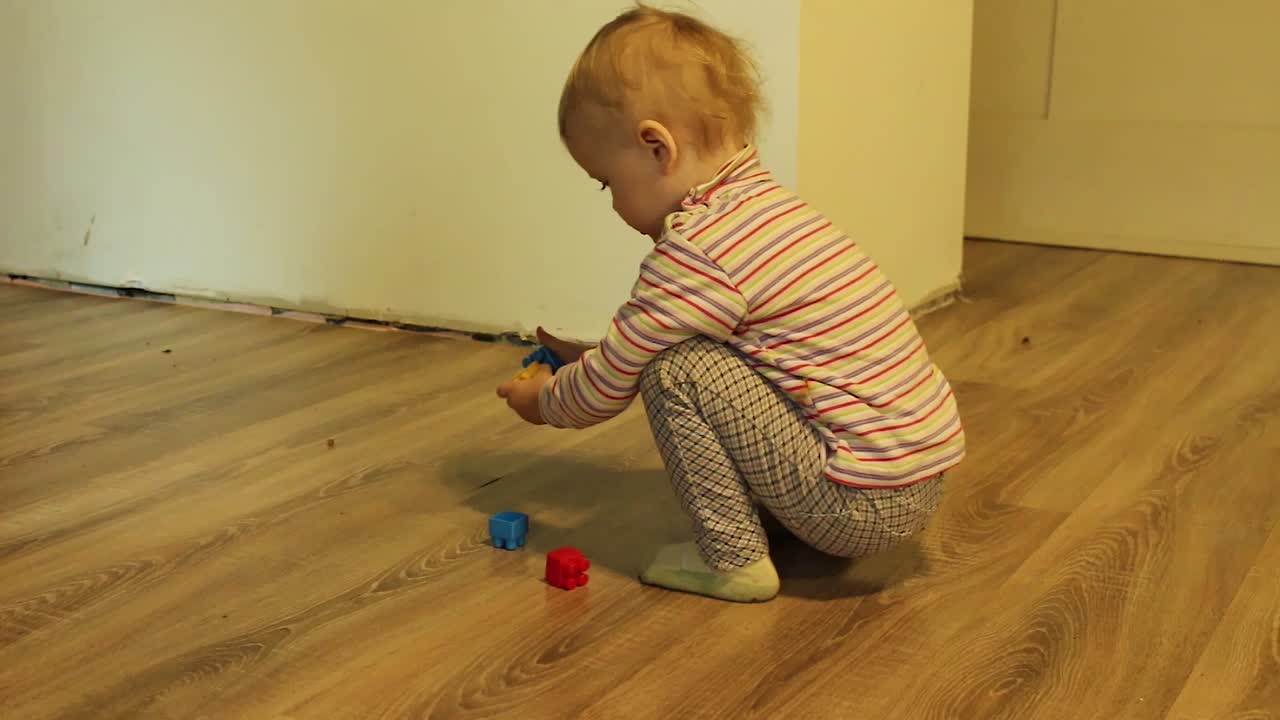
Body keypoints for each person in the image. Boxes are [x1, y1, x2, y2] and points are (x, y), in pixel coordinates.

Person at [497, 5, 964, 602]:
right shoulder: (764, 212)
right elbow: (637, 353)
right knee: (695, 354)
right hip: (911, 481)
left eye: (607, 182)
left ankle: (732, 560)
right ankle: (784, 518)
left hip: (857, 505)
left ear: (655, 148)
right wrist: (592, 352)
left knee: (676, 371)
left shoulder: (699, 251)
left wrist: (544, 401)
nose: (612, 202)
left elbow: (611, 386)